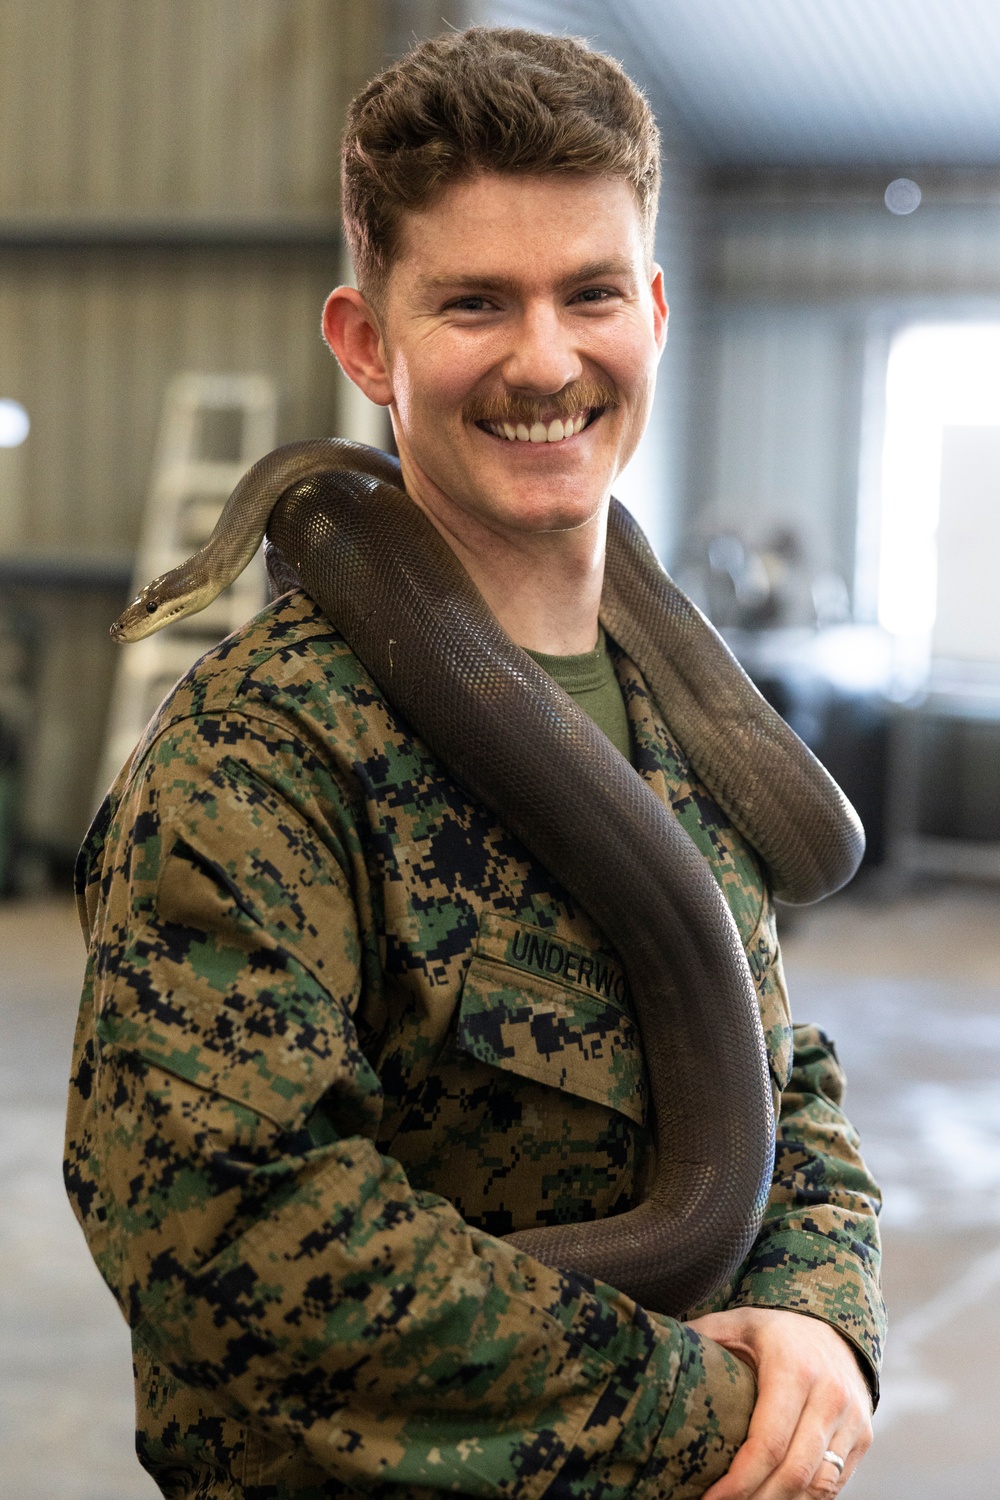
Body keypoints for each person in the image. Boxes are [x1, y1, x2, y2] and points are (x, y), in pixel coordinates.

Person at [65, 27, 884, 1500]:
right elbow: (241, 1247)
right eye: (474, 304)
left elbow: (779, 1073)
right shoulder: (257, 761)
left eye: (589, 294)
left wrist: (824, 1311)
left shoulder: (678, 726)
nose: (546, 360)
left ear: (654, 309)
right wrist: (715, 1408)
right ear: (367, 343)